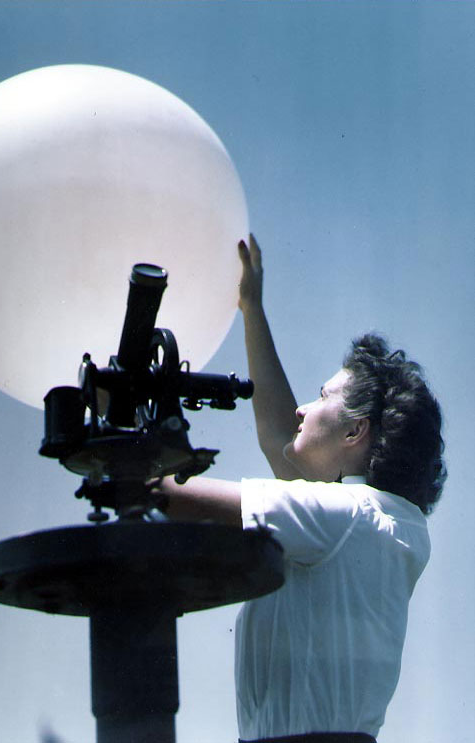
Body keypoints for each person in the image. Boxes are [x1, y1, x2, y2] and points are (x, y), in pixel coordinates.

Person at [154, 236, 446, 743]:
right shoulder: (384, 523)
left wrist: (117, 448)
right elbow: (282, 440)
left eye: (321, 396)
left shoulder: (344, 518)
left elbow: (171, 497)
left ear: (355, 432)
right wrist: (252, 309)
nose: (303, 410)